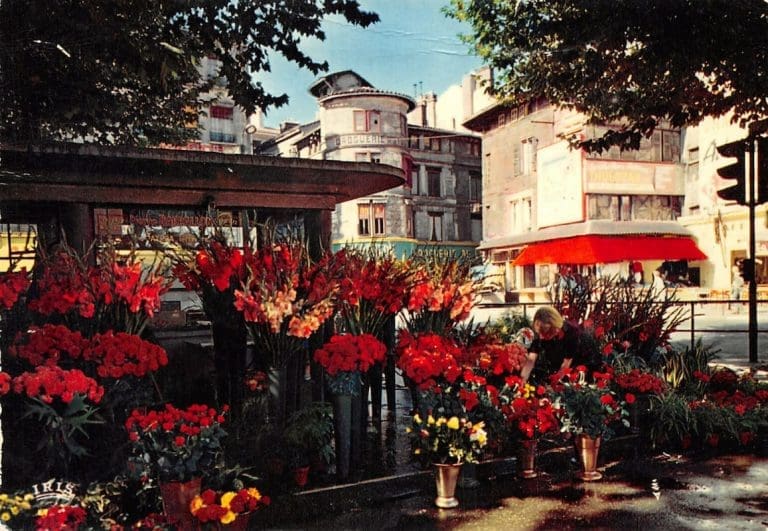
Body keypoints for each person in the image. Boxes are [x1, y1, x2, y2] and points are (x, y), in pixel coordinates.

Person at [520, 306, 598, 384]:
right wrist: (522, 381)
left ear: (555, 329)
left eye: (544, 332)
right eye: (539, 333)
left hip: (583, 363)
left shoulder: (571, 333)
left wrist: (554, 383)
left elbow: (566, 364)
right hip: (561, 364)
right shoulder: (540, 332)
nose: (541, 337)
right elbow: (530, 360)